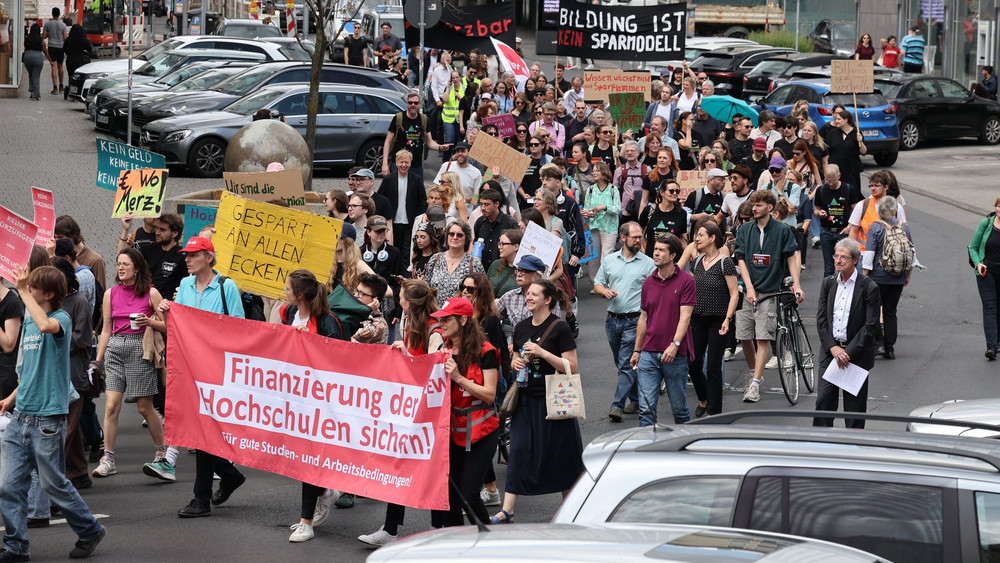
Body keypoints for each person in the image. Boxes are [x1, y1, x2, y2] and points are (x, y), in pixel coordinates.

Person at [0, 265, 107, 560]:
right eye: (27, 287)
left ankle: (90, 530)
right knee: (8, 486)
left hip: (48, 420)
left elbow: (48, 326)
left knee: (54, 484)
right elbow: (29, 370)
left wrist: (20, 290)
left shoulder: (59, 319)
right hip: (20, 416)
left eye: (32, 287)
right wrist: (12, 397)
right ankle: (16, 546)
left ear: (48, 294)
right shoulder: (32, 323)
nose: (27, 290)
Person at [157, 237, 247, 518]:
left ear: (209, 257)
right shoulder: (184, 285)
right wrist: (166, 313)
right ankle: (228, 475)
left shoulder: (226, 286)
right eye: (186, 254)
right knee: (196, 431)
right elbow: (179, 326)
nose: (187, 259)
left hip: (215, 370)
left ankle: (201, 498)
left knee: (203, 431)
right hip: (188, 369)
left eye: (193, 255)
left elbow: (239, 328)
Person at [357, 280, 444, 546]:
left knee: (432, 472)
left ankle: (437, 530)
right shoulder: (410, 323)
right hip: (408, 410)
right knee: (399, 467)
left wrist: (405, 353)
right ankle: (391, 529)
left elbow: (432, 368)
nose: (399, 300)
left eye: (402, 297)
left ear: (410, 302)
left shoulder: (434, 330)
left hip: (428, 415)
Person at [491, 279, 580, 525]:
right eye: (528, 294)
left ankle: (569, 509)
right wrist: (515, 363)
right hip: (526, 400)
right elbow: (516, 359)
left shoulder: (559, 327)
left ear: (547, 299)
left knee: (562, 455)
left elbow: (571, 366)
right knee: (517, 451)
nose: (528, 297)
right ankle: (507, 510)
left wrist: (542, 353)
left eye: (534, 294)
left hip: (554, 401)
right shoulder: (520, 328)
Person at [91, 248, 170, 481]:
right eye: (118, 264)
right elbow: (106, 329)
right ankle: (108, 458)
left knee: (144, 407)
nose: (121, 267)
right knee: (110, 406)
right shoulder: (110, 294)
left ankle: (162, 452)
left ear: (137, 268)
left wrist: (151, 322)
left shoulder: (151, 293)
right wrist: (98, 359)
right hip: (115, 347)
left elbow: (169, 327)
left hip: (140, 347)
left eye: (125, 264)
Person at [278, 270, 344, 543]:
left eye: (288, 288)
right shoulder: (286, 314)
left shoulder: (327, 322)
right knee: (302, 458)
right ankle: (325, 492)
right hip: (294, 396)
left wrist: (310, 343)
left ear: (301, 295)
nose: (284, 291)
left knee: (308, 459)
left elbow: (337, 359)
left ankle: (306, 522)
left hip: (319, 402)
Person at [733, 190, 804, 403]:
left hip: (770, 291)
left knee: (763, 336)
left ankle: (754, 384)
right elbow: (741, 259)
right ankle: (757, 371)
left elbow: (791, 256)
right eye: (753, 204)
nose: (754, 208)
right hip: (748, 290)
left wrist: (796, 284)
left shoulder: (782, 230)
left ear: (770, 208)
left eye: (759, 204)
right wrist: (748, 287)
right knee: (745, 336)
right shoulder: (745, 229)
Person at [813, 238, 881, 428]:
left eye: (844, 257)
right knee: (823, 402)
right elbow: (821, 320)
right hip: (830, 353)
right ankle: (819, 444)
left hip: (856, 356)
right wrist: (833, 348)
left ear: (855, 260)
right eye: (836, 256)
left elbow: (870, 326)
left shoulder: (869, 287)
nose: (838, 260)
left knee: (854, 410)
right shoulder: (828, 283)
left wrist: (847, 353)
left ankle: (854, 448)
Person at [630, 233, 695, 426]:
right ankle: (647, 452)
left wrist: (674, 345)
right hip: (649, 353)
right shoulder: (648, 282)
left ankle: (685, 450)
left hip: (675, 354)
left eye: (661, 250)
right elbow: (644, 317)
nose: (655, 253)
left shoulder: (686, 281)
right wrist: (637, 349)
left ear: (673, 255)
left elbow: (686, 317)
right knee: (646, 409)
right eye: (655, 249)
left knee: (679, 409)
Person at [595, 222, 655, 422]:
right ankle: (636, 398)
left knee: (625, 364)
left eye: (640, 237)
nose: (639, 240)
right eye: (635, 237)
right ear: (623, 238)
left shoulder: (647, 263)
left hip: (635, 320)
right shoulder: (610, 260)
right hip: (612, 320)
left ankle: (617, 406)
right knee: (622, 364)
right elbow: (597, 284)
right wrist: (605, 291)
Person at [687, 221, 740, 417]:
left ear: (712, 238)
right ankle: (704, 398)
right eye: (696, 235)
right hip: (697, 319)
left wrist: (727, 319)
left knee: (713, 366)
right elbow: (689, 291)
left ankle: (714, 411)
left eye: (701, 235)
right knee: (692, 363)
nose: (697, 238)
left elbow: (734, 294)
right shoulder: (697, 261)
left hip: (718, 320)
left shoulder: (725, 262)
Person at [861, 196, 912, 360]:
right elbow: (912, 253)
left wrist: (864, 276)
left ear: (878, 210)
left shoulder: (875, 227)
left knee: (873, 310)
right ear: (894, 210)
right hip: (898, 276)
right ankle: (890, 348)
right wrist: (907, 275)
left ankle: (879, 343)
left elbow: (869, 255)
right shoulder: (904, 228)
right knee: (891, 312)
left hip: (878, 276)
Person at [381, 91, 448, 180]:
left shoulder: (424, 120)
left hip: (416, 165)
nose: (413, 105)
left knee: (416, 192)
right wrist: (385, 163)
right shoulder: (398, 118)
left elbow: (430, 142)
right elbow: (387, 142)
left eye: (415, 103)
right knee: (396, 191)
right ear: (407, 104)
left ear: (419, 104)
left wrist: (440, 147)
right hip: (398, 164)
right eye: (410, 103)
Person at [424, 221, 485, 307]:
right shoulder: (435, 259)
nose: (455, 237)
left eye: (459, 235)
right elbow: (426, 287)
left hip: (460, 316)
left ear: (466, 238)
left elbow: (482, 293)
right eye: (451, 234)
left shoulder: (474, 263)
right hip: (434, 314)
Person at [971, 196, 1000, 360]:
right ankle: (991, 347)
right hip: (986, 270)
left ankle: (998, 340)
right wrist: (978, 264)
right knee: (989, 308)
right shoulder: (986, 224)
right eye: (998, 206)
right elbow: (973, 248)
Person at [582, 161, 621, 281]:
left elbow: (618, 209)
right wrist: (586, 213)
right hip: (594, 226)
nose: (593, 172)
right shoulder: (591, 190)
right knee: (593, 258)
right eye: (593, 170)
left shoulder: (613, 190)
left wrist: (605, 207)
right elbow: (587, 207)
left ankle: (606, 282)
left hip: (609, 228)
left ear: (604, 173)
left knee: (606, 256)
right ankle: (595, 282)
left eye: (597, 170)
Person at [640, 178, 689, 256]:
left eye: (677, 191)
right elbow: (640, 233)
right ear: (662, 192)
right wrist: (645, 250)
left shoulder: (681, 213)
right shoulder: (649, 210)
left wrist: (689, 254)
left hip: (671, 259)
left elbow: (681, 238)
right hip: (651, 259)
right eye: (671, 191)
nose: (675, 193)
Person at [824, 110, 866, 200]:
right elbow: (827, 152)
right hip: (837, 168)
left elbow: (863, 152)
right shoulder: (832, 133)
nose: (836, 121)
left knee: (852, 192)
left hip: (851, 169)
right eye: (836, 119)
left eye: (839, 119)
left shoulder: (856, 133)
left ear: (846, 120)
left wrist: (860, 141)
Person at [474, 189, 518, 268]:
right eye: (481, 204)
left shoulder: (509, 223)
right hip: (483, 269)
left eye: (486, 204)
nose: (483, 208)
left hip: (502, 269)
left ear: (497, 204)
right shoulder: (480, 222)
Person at [487, 228, 522, 299]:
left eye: (503, 244)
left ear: (516, 247)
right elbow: (485, 288)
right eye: (499, 244)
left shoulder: (524, 270)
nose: (500, 247)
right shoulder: (496, 264)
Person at [62, 24, 93, 99]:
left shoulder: (68, 40)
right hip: (81, 60)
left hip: (71, 60)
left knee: (71, 76)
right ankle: (79, 92)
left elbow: (64, 49)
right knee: (80, 77)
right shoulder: (83, 39)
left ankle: (71, 91)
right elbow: (89, 49)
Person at [42, 7, 68, 95]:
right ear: (59, 14)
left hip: (52, 47)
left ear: (52, 14)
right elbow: (65, 38)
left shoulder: (48, 24)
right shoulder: (63, 25)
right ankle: (61, 86)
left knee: (54, 66)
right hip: (61, 47)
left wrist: (50, 34)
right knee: (60, 66)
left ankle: (55, 88)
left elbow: (44, 36)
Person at [23, 23, 45, 100]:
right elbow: (45, 50)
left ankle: (32, 91)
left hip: (27, 56)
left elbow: (25, 46)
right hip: (38, 57)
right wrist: (50, 60)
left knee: (31, 74)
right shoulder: (41, 39)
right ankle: (36, 94)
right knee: (36, 76)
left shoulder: (27, 38)